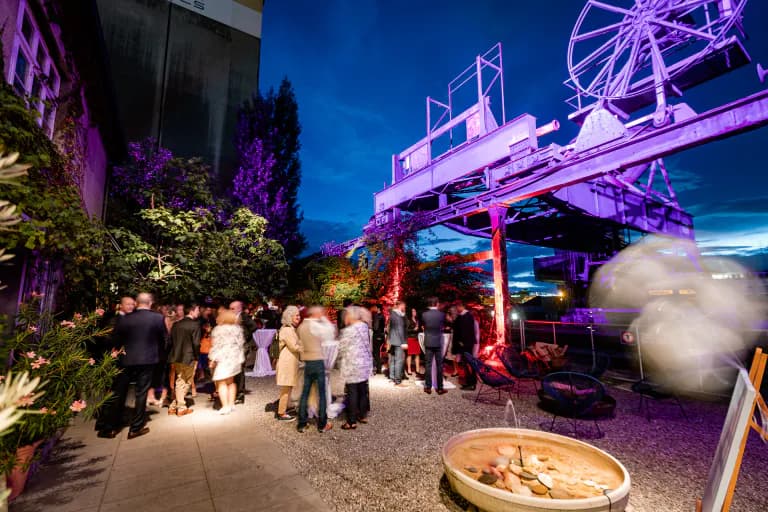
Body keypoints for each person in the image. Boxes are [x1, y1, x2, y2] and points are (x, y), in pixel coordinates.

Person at [98, 292, 167, 439]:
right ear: (150, 303)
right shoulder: (157, 318)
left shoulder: (126, 319)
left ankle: (110, 428)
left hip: (126, 359)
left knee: (119, 392)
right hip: (148, 360)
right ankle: (135, 428)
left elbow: (116, 340)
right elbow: (164, 340)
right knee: (141, 393)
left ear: (137, 303)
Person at [296, 306, 333, 433]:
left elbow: (300, 344)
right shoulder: (316, 326)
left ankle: (302, 423)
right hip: (317, 361)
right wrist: (325, 319)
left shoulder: (301, 327)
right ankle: (322, 424)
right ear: (314, 314)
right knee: (321, 393)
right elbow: (329, 334)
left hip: (308, 362)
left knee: (305, 393)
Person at [339, 306, 373, 430]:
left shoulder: (349, 330)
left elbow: (342, 348)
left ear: (351, 316)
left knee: (352, 392)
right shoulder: (364, 327)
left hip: (352, 365)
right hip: (364, 363)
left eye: (346, 316)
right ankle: (362, 415)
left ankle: (351, 421)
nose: (345, 318)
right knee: (363, 390)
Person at [167, 303, 202, 416]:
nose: (198, 312)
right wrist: (197, 357)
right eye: (197, 310)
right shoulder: (195, 325)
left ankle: (173, 406)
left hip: (176, 356)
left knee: (180, 381)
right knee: (185, 382)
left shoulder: (176, 325)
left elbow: (170, 341)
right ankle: (181, 408)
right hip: (189, 357)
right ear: (191, 311)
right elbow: (196, 343)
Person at [209, 309, 245, 415]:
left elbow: (216, 346)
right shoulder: (237, 329)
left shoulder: (218, 330)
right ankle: (231, 404)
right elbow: (241, 344)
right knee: (231, 382)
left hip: (223, 358)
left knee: (221, 382)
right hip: (234, 359)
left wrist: (212, 359)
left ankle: (225, 406)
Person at [275, 306, 302, 421]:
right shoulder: (287, 330)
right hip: (287, 361)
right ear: (290, 317)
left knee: (289, 385)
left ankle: (286, 406)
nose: (299, 317)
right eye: (297, 315)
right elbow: (294, 346)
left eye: (299, 315)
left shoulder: (288, 328)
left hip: (289, 360)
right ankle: (281, 413)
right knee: (286, 386)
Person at [230, 300, 257, 404]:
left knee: (240, 369)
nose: (231, 310)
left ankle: (240, 393)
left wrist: (245, 336)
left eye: (233, 308)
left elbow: (254, 326)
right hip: (235, 346)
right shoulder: (234, 317)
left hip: (243, 346)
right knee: (236, 369)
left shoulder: (244, 316)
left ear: (238, 308)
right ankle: (236, 391)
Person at [422, 296, 447, 395]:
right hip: (438, 342)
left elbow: (423, 326)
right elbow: (443, 326)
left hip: (428, 341)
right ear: (437, 303)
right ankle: (440, 388)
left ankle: (428, 387)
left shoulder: (424, 315)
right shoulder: (442, 314)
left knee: (428, 365)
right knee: (439, 365)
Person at [452, 301, 477, 390]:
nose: (456, 309)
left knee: (468, 363)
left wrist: (462, 342)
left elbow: (467, 331)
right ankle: (468, 381)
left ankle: (472, 382)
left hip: (466, 344)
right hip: (464, 343)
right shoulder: (463, 316)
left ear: (461, 306)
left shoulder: (467, 316)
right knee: (465, 363)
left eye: (457, 307)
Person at [387, 300, 407, 386]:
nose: (404, 307)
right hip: (398, 340)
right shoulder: (398, 315)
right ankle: (398, 380)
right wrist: (403, 342)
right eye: (404, 306)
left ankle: (392, 377)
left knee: (393, 360)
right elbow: (400, 329)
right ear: (401, 305)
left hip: (393, 340)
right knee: (399, 360)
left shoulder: (393, 314)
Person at [370, 304, 386, 374]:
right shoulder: (383, 316)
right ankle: (378, 367)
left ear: (378, 308)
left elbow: (375, 327)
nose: (374, 308)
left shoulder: (377, 316)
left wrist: (371, 326)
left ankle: (378, 368)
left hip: (377, 335)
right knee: (377, 352)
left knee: (375, 352)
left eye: (375, 307)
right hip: (381, 335)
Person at [406, 307, 421, 375]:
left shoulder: (417, 320)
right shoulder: (408, 320)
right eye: (413, 311)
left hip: (416, 338)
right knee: (409, 354)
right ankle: (409, 369)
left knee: (417, 354)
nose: (414, 312)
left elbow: (419, 329)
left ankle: (417, 369)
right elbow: (406, 330)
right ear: (410, 312)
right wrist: (413, 330)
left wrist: (420, 329)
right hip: (410, 338)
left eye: (415, 311)